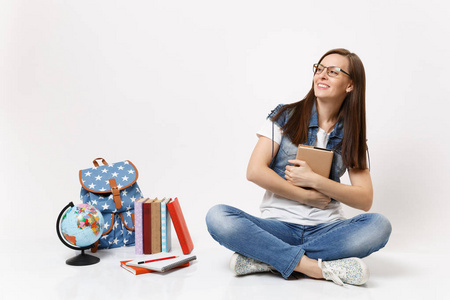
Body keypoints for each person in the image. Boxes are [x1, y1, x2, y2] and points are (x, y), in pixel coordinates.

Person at [205, 48, 392, 286]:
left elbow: (364, 199)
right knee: (218, 217)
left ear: (350, 85)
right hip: (277, 226)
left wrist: (315, 181)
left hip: (326, 230)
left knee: (379, 225)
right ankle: (315, 268)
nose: (322, 75)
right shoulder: (286, 116)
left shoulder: (352, 135)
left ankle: (267, 258)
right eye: (319, 69)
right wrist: (306, 196)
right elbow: (255, 171)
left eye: (333, 72)